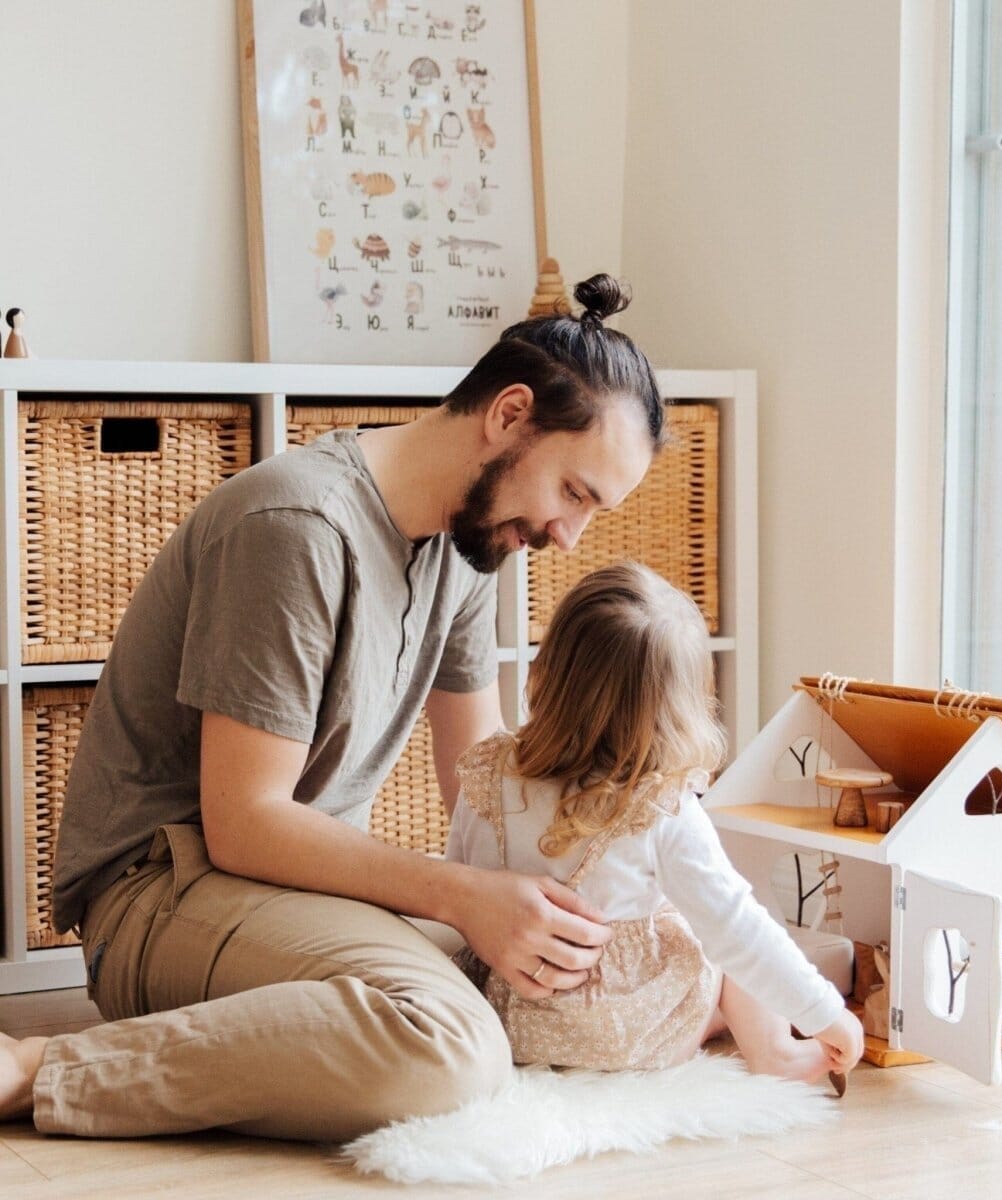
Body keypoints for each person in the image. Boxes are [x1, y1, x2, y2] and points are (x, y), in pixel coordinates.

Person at [0, 275, 666, 1141]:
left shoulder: (467, 548)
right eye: (575, 493)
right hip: (164, 888)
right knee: (452, 1047)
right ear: (509, 415)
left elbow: (484, 780)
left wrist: (604, 876)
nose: (567, 536)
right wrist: (467, 899)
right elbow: (244, 822)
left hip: (289, 890)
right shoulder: (297, 525)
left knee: (549, 976)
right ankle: (34, 1069)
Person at [445, 562, 865, 1085]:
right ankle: (775, 1050)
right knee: (720, 933)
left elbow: (457, 883)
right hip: (621, 1033)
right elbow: (740, 930)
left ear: (545, 671)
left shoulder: (488, 773)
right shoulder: (661, 808)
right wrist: (828, 1013)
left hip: (509, 1017)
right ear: (680, 711)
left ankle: (720, 1021)